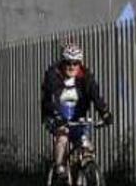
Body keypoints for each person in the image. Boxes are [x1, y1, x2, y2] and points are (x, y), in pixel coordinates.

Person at [40, 43, 112, 178]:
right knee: (62, 137)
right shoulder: (53, 75)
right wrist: (56, 116)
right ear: (63, 62)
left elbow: (95, 95)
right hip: (55, 115)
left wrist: (105, 113)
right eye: (68, 63)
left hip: (76, 118)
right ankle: (59, 171)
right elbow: (49, 99)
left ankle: (81, 182)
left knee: (86, 147)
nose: (72, 67)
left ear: (80, 64)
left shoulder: (85, 76)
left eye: (75, 63)